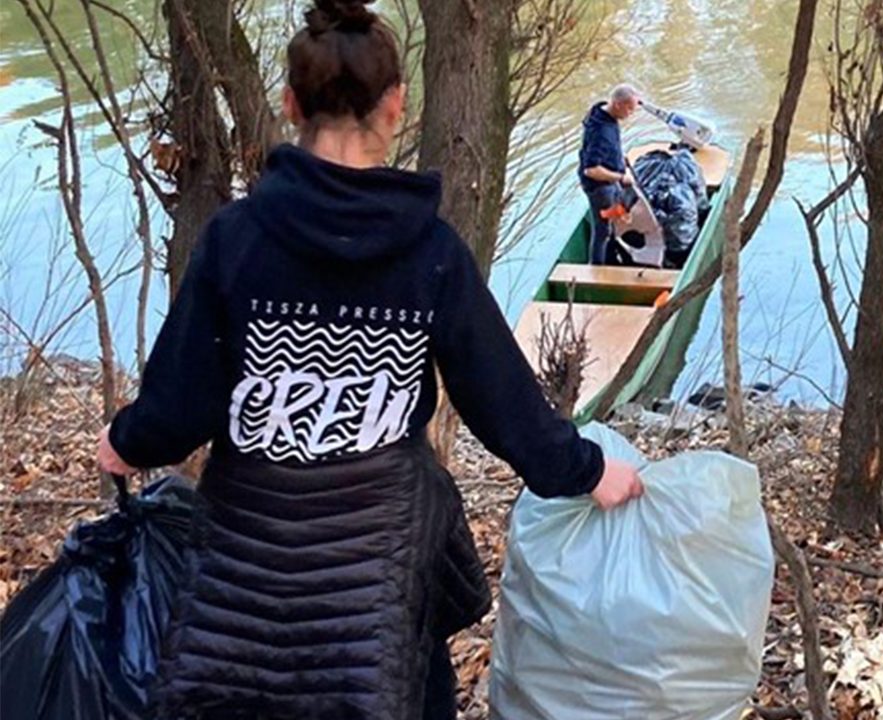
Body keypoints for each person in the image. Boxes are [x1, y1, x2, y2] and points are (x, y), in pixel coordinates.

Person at [95, 1, 643, 718]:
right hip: (381, 565)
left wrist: (126, 441)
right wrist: (588, 471)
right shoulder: (431, 252)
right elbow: (501, 400)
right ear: (397, 105)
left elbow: (180, 404)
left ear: (290, 104)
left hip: (245, 563)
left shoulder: (236, 238)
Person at [578, 83, 642, 265]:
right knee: (602, 230)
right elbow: (591, 170)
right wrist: (620, 177)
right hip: (600, 189)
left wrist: (620, 158)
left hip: (610, 182)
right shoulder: (601, 132)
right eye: (629, 109)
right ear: (617, 104)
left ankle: (612, 255)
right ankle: (597, 266)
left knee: (614, 219)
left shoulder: (601, 110)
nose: (631, 114)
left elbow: (608, 147)